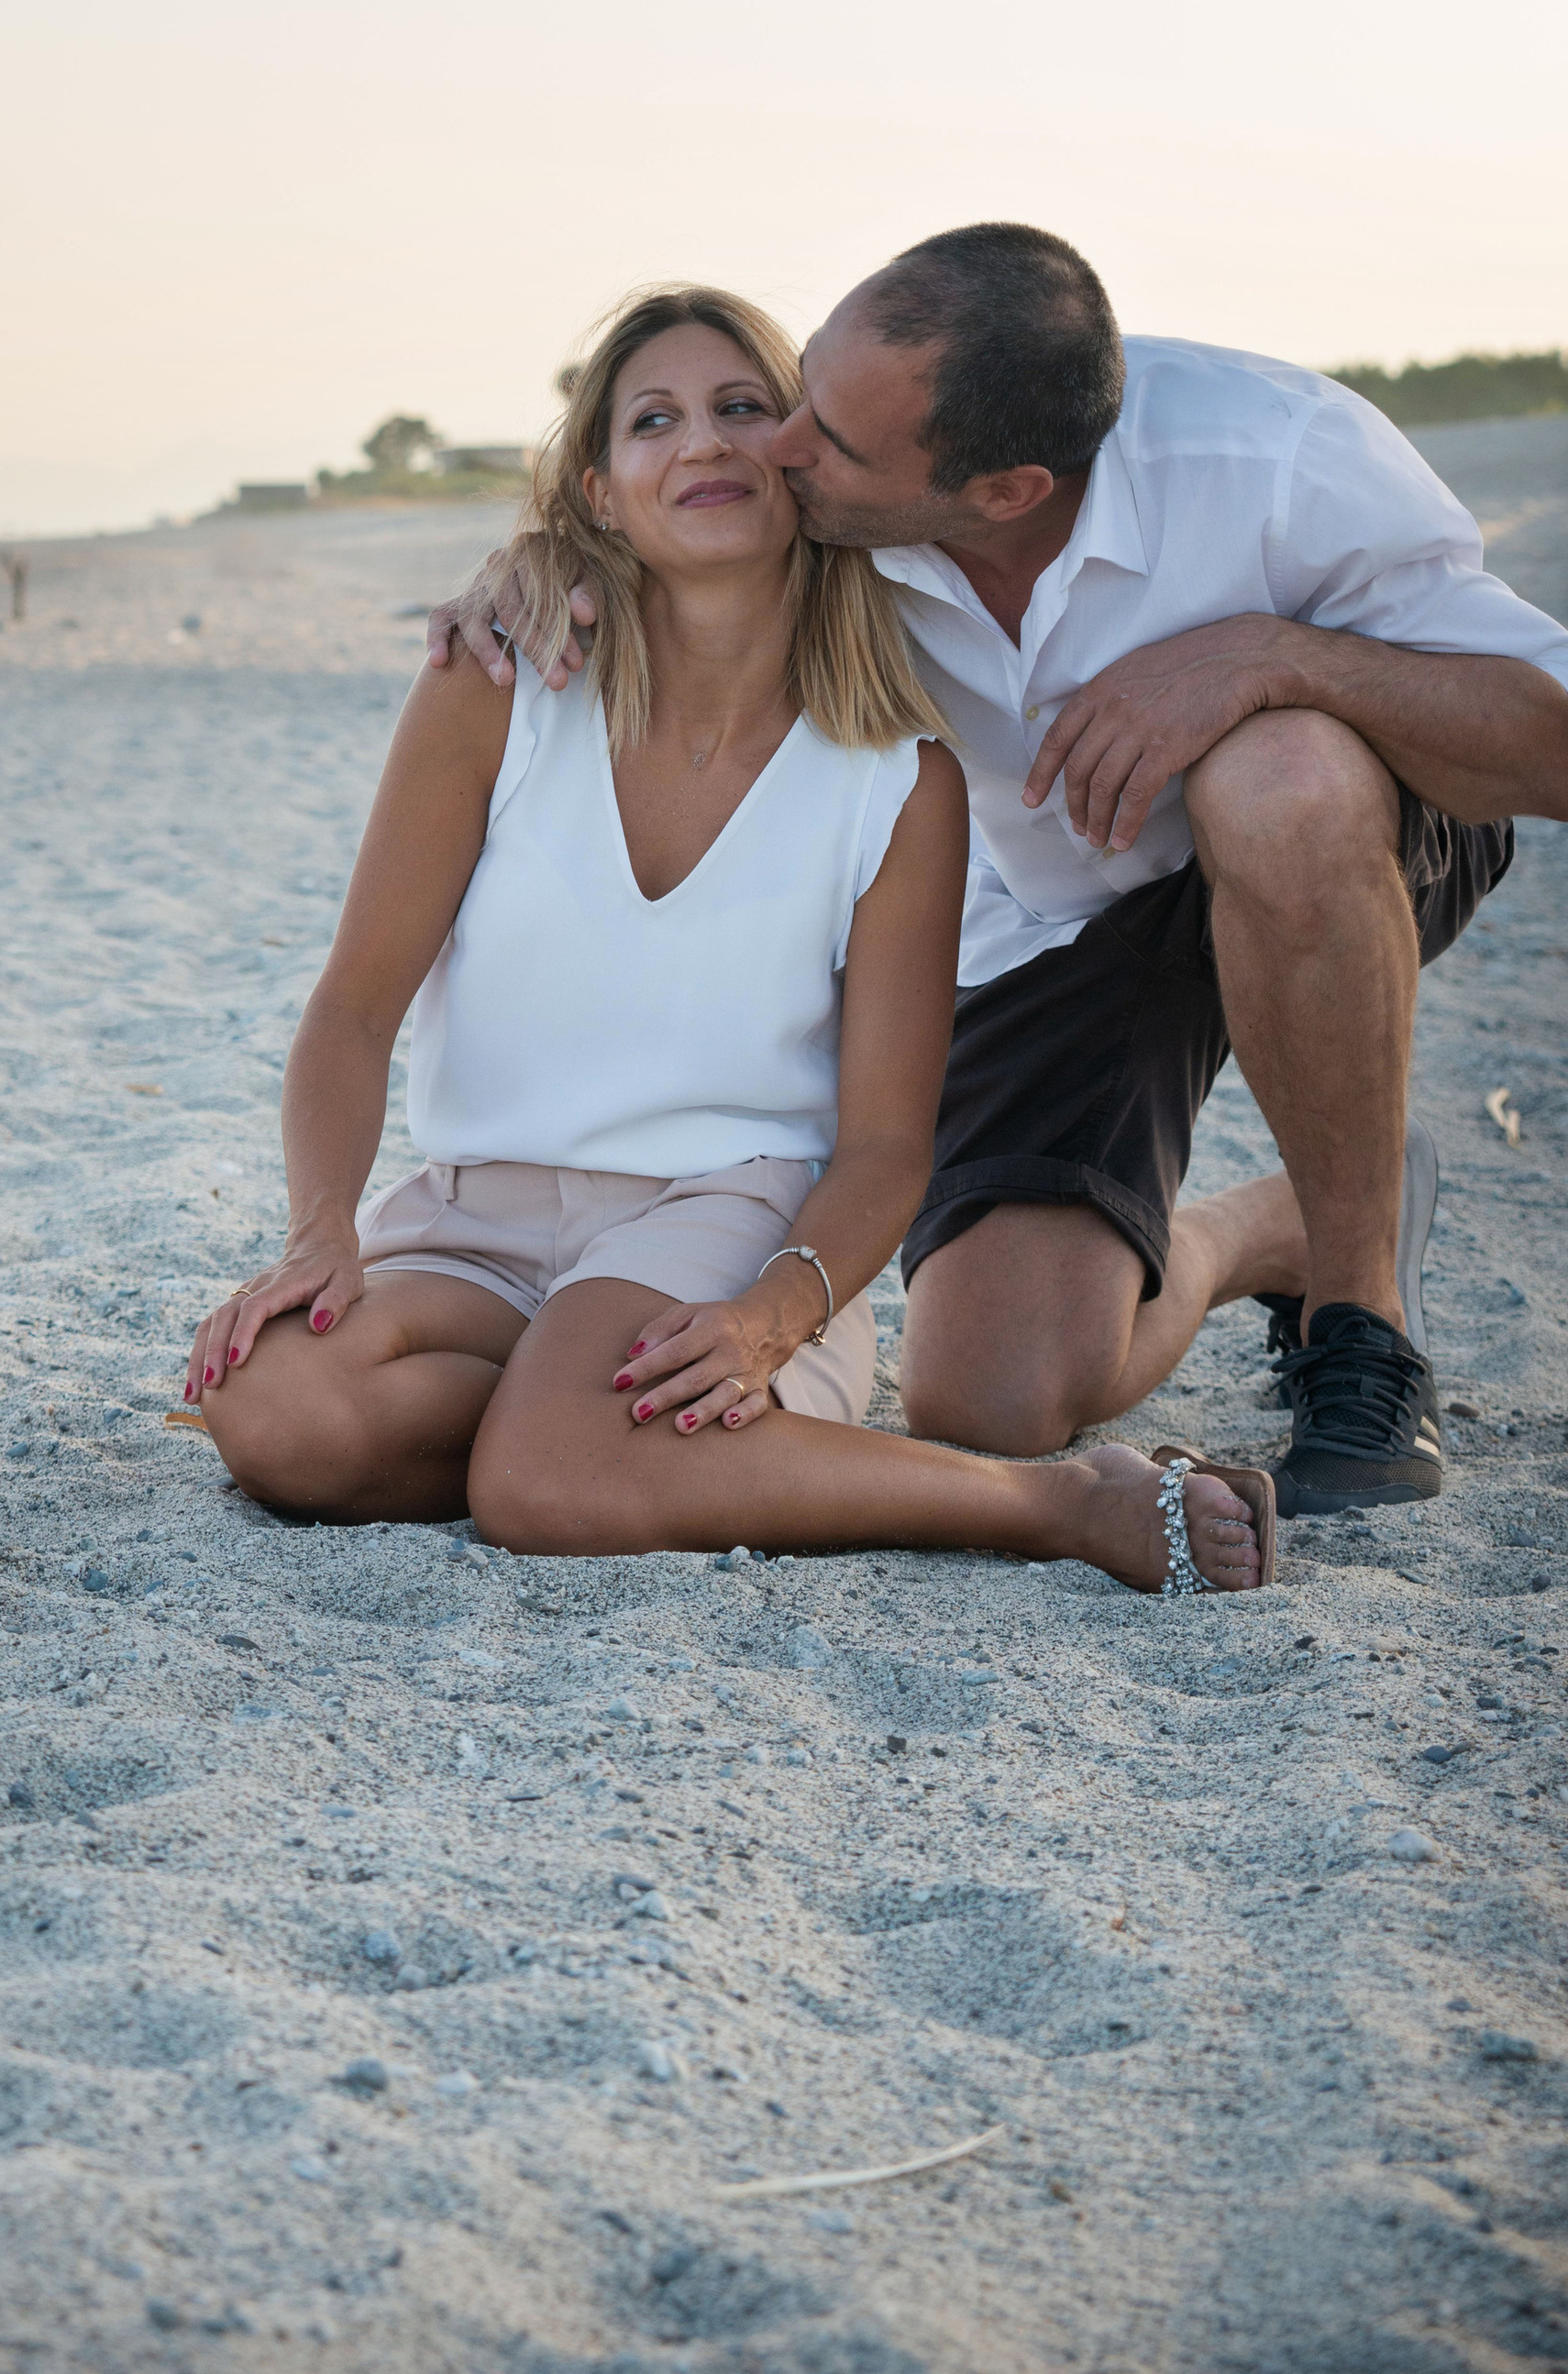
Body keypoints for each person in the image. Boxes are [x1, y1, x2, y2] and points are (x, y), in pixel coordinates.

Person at [433, 226, 1568, 1518]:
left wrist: (1273, 658)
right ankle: (1267, 1235)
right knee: (993, 1394)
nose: (784, 446)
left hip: (1334, 840)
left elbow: (1549, 742)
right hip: (1049, 923)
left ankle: (1360, 1326)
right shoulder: (820, 503)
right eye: (803, 390)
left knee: (1282, 777)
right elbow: (642, 538)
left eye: (834, 444)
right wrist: (538, 564)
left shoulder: (1285, 463)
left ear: (1005, 490)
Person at [193, 285, 1273, 1598]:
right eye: (654, 420)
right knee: (278, 1415)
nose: (700, 443)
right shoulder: (493, 693)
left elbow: (885, 1146)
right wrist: (322, 1232)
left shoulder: (896, 776)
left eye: (740, 409)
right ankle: (613, 1430)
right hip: (479, 1209)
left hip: (725, 1212)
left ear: (801, 462)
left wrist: (774, 1315)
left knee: (547, 1485)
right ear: (599, 490)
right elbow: (353, 1011)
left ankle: (1055, 1502)